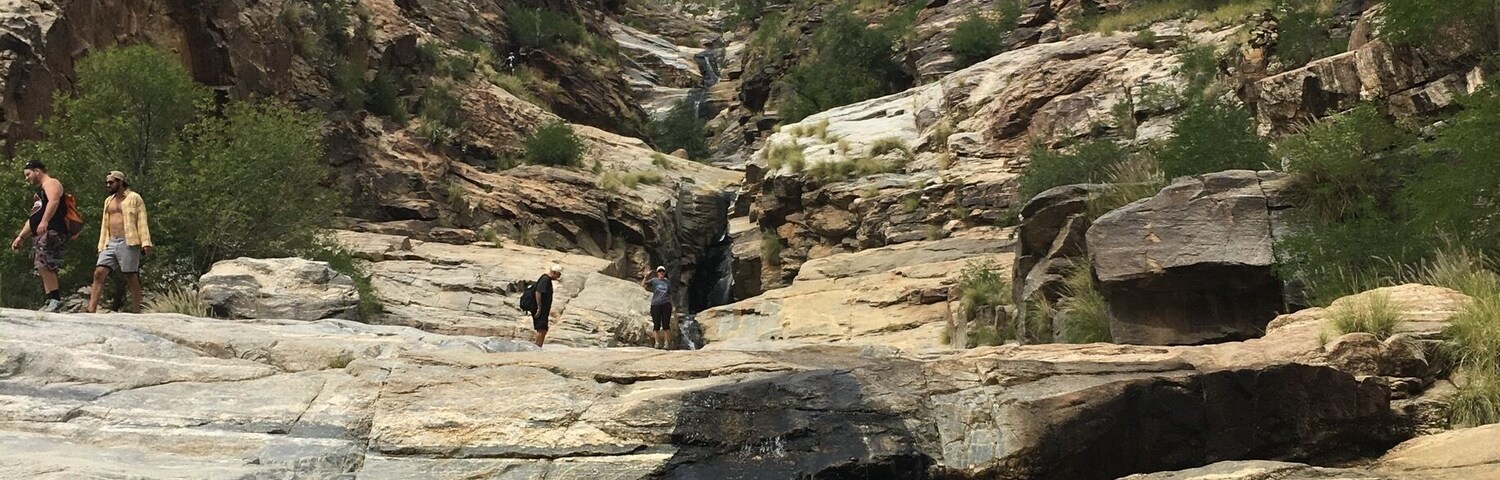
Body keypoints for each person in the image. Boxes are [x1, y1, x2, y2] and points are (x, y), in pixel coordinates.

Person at [87, 171, 153, 314]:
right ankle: (91, 310)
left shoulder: (134, 198)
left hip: (128, 241)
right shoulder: (108, 200)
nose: (108, 185)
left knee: (131, 276)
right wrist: (101, 243)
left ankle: (136, 311)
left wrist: (145, 242)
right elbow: (105, 223)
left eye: (111, 182)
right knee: (99, 273)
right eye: (107, 183)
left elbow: (142, 220)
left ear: (120, 182)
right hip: (109, 241)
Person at [11, 160, 67, 312]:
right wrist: (21, 236)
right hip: (40, 233)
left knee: (45, 263)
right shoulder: (39, 193)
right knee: (40, 264)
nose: (27, 178)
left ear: (37, 171)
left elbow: (54, 200)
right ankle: (50, 299)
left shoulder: (51, 183)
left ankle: (55, 299)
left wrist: (45, 221)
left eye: (28, 174)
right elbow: (33, 217)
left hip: (51, 230)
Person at [642, 266, 673, 349]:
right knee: (656, 325)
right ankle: (657, 343)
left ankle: (666, 343)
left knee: (666, 324)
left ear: (665, 272)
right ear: (657, 272)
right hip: (655, 304)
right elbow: (643, 286)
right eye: (659, 271)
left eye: (662, 271)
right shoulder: (654, 280)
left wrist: (672, 305)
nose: (661, 273)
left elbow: (670, 294)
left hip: (666, 304)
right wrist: (645, 277)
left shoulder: (668, 282)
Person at [532, 264, 562, 347]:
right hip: (540, 308)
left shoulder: (546, 279)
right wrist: (539, 307)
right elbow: (538, 292)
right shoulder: (545, 279)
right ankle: (537, 347)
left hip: (543, 309)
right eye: (558, 274)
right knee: (541, 329)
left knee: (543, 329)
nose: (558, 277)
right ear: (554, 272)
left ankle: (538, 346)